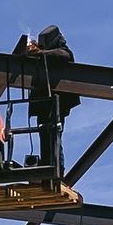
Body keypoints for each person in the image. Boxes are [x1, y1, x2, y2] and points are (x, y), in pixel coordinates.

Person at [25, 25, 79, 171]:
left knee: (54, 134)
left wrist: (40, 52)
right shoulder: (44, 55)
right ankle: (46, 166)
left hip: (56, 104)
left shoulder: (63, 52)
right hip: (43, 103)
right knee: (44, 134)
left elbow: (63, 55)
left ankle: (57, 169)